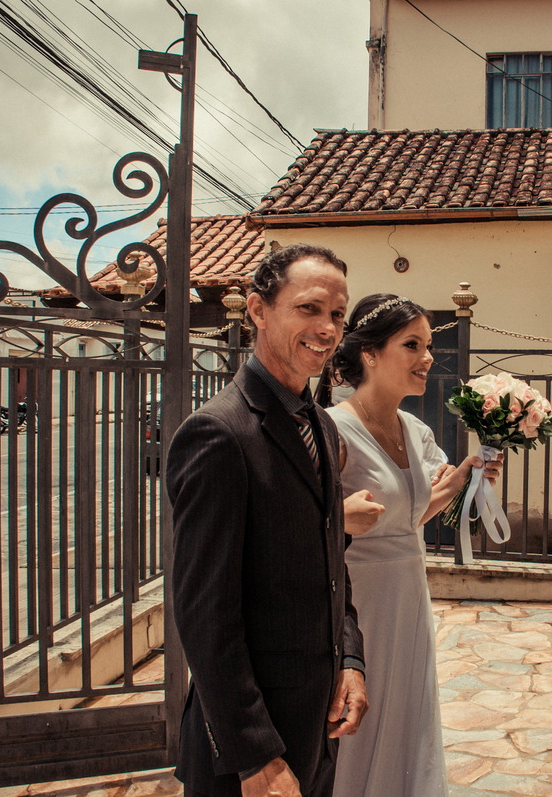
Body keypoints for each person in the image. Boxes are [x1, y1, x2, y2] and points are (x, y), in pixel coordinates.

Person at [166, 244, 369, 797]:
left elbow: (333, 562)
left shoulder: (322, 427)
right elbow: (204, 614)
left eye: (336, 315)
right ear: (257, 309)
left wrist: (350, 658)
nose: (327, 329)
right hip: (248, 748)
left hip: (315, 724)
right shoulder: (218, 434)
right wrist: (256, 755)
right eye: (309, 309)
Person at [323, 294, 501, 797]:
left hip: (409, 594)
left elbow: (409, 515)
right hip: (360, 604)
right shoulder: (334, 431)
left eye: (429, 345)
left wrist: (469, 474)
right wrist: (340, 518)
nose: (428, 358)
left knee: (407, 712)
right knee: (362, 717)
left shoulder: (416, 430)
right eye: (412, 345)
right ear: (370, 355)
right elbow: (299, 526)